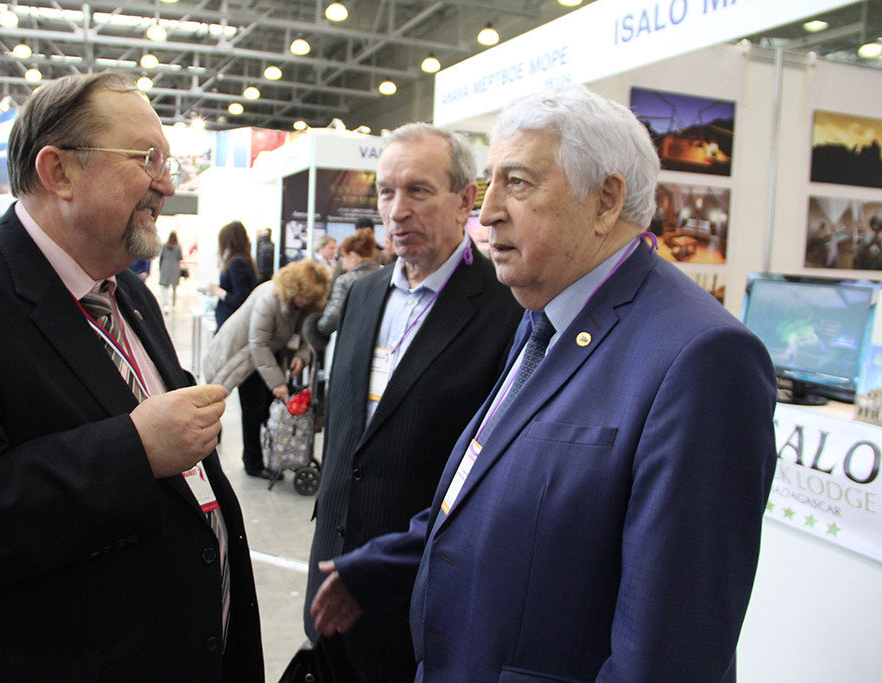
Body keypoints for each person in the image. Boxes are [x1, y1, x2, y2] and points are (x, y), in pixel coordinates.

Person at [310, 85, 777, 683]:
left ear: (606, 200)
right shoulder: (544, 320)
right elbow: (487, 488)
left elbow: (669, 653)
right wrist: (382, 566)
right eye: (490, 185)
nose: (486, 214)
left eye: (518, 183)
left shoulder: (703, 359)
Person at [0, 72, 263, 681]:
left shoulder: (127, 293)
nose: (167, 183)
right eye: (146, 159)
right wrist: (133, 450)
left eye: (167, 162)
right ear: (58, 171)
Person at [304, 122, 523, 682]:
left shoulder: (506, 311)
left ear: (465, 200)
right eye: (386, 192)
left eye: (418, 191)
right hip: (330, 580)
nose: (397, 211)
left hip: (418, 595)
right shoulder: (363, 293)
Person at [202, 259, 330, 478]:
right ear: (294, 288)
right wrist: (277, 382)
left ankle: (269, 457)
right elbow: (258, 344)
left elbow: (303, 334)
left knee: (267, 409)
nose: (306, 301)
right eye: (304, 296)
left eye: (310, 298)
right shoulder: (269, 298)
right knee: (254, 410)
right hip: (246, 356)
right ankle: (254, 464)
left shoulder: (305, 303)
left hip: (268, 353)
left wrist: (301, 356)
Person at [302, 227, 382, 352]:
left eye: (343, 257)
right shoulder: (385, 274)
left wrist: (317, 330)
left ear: (352, 256)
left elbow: (333, 316)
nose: (343, 265)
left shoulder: (345, 281)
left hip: (354, 341)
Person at [206, 220, 260, 330]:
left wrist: (218, 291)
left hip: (231, 322)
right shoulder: (243, 260)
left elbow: (240, 298)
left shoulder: (237, 263)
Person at [158, 230, 183, 313]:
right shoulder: (178, 247)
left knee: (165, 287)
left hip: (165, 267)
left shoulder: (164, 246)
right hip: (174, 267)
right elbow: (180, 257)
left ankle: (166, 305)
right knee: (174, 288)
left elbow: (161, 257)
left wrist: (160, 268)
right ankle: (173, 305)